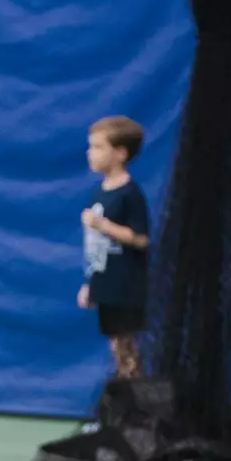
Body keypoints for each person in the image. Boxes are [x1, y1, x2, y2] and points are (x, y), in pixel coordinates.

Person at [78, 115, 151, 378]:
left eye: (98, 147)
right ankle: (126, 397)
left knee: (127, 348)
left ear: (120, 153)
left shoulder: (130, 193)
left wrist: (103, 225)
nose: (90, 153)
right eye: (91, 146)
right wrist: (91, 284)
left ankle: (135, 398)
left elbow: (141, 239)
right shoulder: (98, 193)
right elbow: (96, 248)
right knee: (116, 346)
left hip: (126, 287)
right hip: (106, 285)